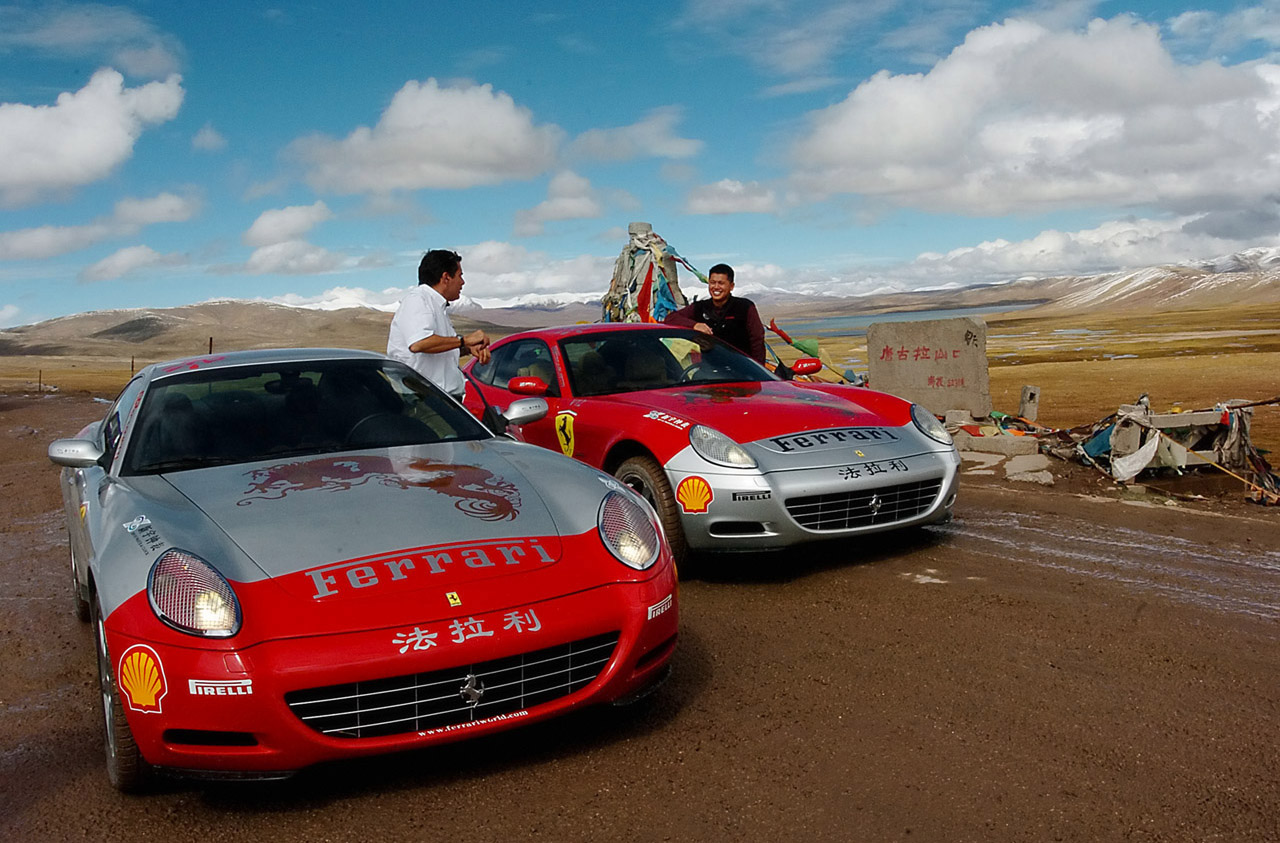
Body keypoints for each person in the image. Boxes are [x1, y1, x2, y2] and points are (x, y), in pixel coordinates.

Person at [387, 249, 490, 400]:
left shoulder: (436, 305)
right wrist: (464, 340)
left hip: (440, 398)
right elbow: (419, 343)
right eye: (460, 275)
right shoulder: (418, 300)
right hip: (423, 399)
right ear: (446, 277)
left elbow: (438, 348)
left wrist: (467, 348)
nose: (463, 282)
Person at [662, 263, 765, 363]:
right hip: (709, 370)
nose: (716, 287)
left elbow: (757, 340)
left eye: (721, 283)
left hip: (741, 369)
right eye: (712, 282)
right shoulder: (699, 307)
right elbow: (670, 318)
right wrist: (695, 325)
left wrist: (761, 372)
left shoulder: (745, 307)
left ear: (731, 286)